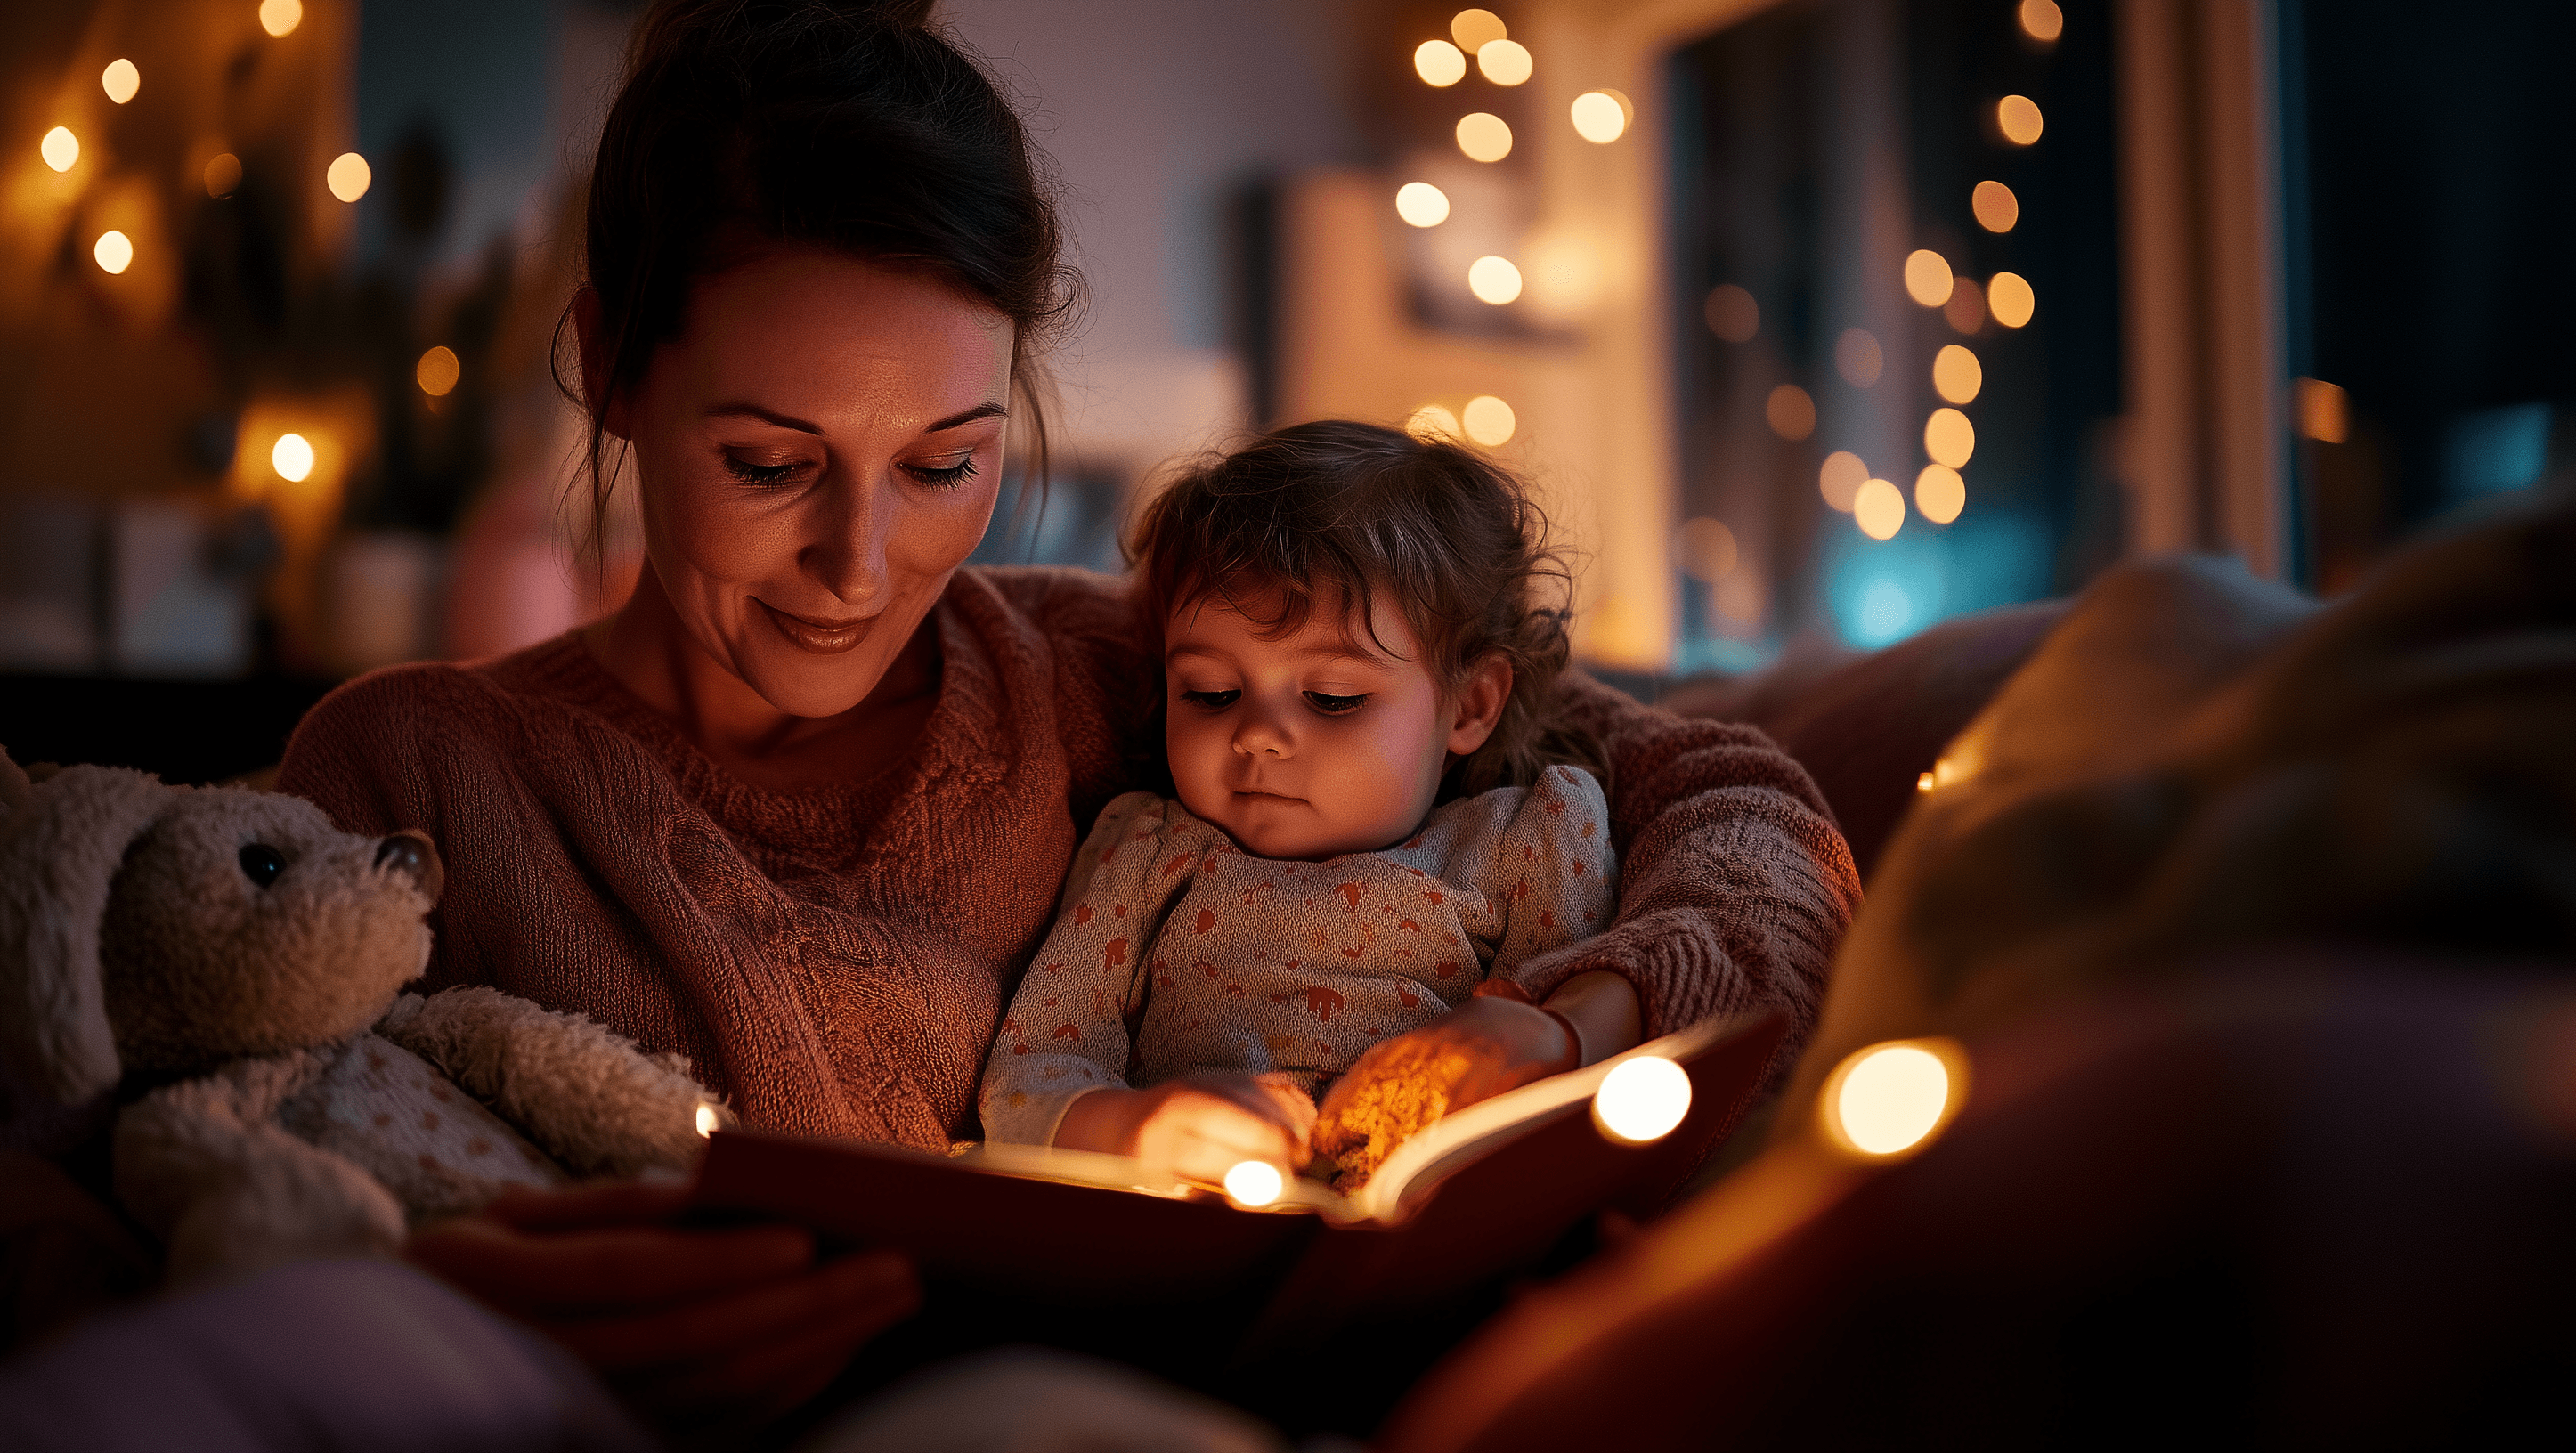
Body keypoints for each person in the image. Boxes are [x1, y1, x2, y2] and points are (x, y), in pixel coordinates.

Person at [273, 0, 1861, 1431]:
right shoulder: (412, 769)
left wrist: (1568, 1019)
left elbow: (1738, 803)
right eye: (769, 463)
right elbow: (166, 1181)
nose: (859, 561)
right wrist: (438, 1291)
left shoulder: (1135, 673)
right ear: (613, 364)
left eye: (945, 461)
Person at [979, 422, 1634, 1191]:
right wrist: (1132, 1127)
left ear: (1471, 704)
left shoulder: (1531, 839)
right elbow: (1030, 1079)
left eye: (1332, 699)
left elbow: (1583, 1051)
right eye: (1211, 693)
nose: (1257, 734)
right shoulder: (1147, 852)